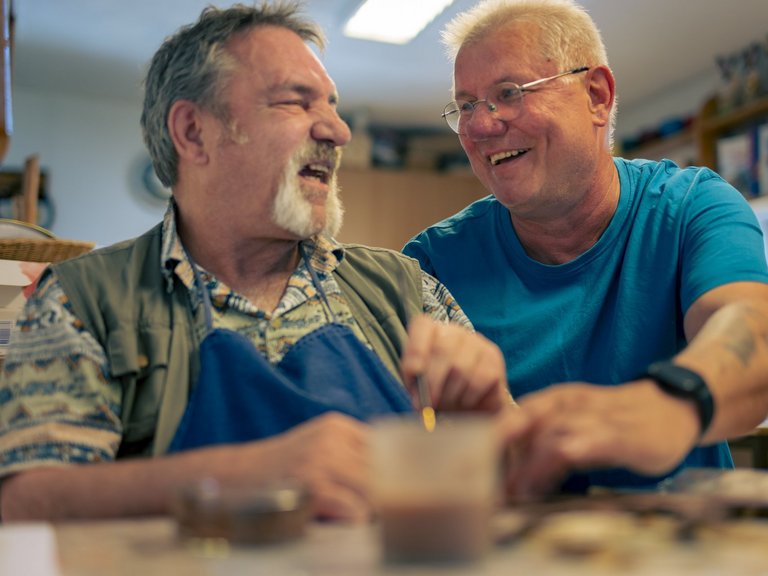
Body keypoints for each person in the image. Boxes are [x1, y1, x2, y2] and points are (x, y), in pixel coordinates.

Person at [0, 1, 512, 522]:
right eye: (297, 102)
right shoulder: (84, 301)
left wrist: (489, 416)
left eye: (332, 105)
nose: (338, 130)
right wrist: (244, 473)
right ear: (194, 132)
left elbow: (516, 471)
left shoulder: (404, 289)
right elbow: (25, 501)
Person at [403, 0, 768, 499]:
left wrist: (664, 408)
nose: (481, 126)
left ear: (596, 95)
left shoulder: (690, 208)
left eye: (508, 93)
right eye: (466, 105)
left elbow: (752, 332)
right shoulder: (429, 264)